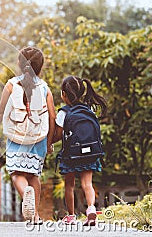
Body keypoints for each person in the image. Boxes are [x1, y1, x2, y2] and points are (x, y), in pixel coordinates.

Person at [0, 46, 56, 224]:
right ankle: (35, 215)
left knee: (17, 173)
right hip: (38, 138)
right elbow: (52, 116)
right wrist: (49, 143)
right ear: (40, 67)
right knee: (33, 175)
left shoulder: (11, 85)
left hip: (16, 137)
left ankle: (26, 193)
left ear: (19, 64)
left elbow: (0, 112)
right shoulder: (45, 88)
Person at [52, 75, 107, 226]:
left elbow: (57, 135)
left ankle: (71, 216)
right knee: (87, 183)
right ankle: (91, 208)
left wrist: (49, 142)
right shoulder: (88, 109)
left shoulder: (63, 113)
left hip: (71, 154)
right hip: (89, 153)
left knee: (69, 185)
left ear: (64, 94)